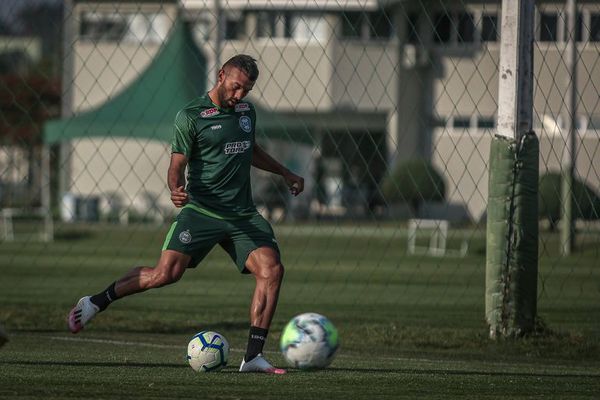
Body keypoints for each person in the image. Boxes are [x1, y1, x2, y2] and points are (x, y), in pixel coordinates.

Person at [67, 54, 304, 374]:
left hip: (242, 214)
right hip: (202, 210)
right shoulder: (191, 116)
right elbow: (176, 164)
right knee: (165, 275)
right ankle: (96, 301)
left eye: (245, 91)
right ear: (222, 75)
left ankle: (253, 357)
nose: (239, 96)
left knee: (272, 270)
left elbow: (252, 150)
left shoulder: (247, 111)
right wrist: (175, 186)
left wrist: (286, 173)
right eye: (236, 88)